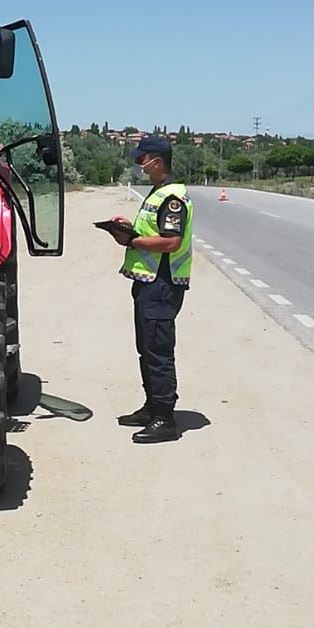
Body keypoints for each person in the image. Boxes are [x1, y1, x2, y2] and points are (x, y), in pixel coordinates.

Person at [104, 134, 193, 444]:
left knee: (158, 352)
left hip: (162, 284)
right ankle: (151, 406)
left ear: (157, 160)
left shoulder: (172, 196)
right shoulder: (158, 193)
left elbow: (172, 241)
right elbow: (154, 231)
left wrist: (132, 241)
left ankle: (165, 418)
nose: (139, 164)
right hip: (148, 283)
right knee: (147, 349)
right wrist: (128, 227)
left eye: (143, 160)